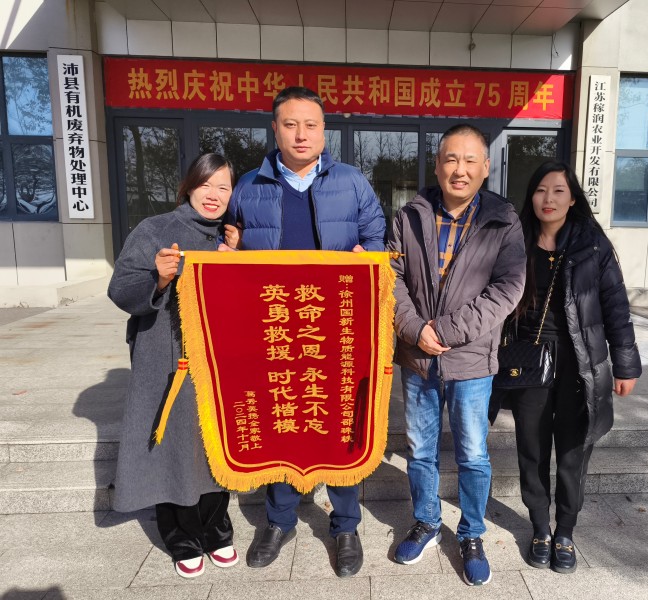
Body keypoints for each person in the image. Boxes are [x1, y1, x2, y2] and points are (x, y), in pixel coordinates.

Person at [223, 86, 385, 578]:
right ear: (275, 129)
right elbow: (227, 246)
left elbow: (377, 237)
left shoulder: (352, 182)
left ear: (323, 131)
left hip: (335, 331)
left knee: (340, 424)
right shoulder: (248, 186)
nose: (301, 134)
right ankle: (279, 521)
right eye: (290, 124)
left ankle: (346, 524)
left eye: (310, 125)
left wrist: (369, 256)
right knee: (282, 421)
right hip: (274, 330)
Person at [387, 123, 526, 586]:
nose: (459, 170)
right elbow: (391, 278)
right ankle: (427, 522)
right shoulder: (410, 216)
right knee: (420, 450)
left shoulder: (503, 220)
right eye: (451, 159)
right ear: (437, 165)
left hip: (471, 361)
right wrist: (414, 329)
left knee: (473, 454)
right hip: (417, 359)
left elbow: (507, 289)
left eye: (470, 160)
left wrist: (442, 331)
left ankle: (471, 533)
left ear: (485, 168)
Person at [502, 160, 641, 574]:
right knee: (531, 449)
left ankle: (565, 531)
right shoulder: (515, 241)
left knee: (573, 452)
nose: (548, 199)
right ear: (531, 197)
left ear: (573, 199)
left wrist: (626, 365)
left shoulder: (593, 246)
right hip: (531, 362)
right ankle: (539, 528)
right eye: (540, 190)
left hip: (581, 364)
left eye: (558, 191)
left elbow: (616, 307)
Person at [108, 153, 239, 579]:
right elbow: (120, 289)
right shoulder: (155, 229)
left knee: (214, 443)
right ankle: (182, 537)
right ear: (189, 187)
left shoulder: (231, 237)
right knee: (174, 447)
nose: (214, 195)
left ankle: (217, 528)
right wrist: (159, 278)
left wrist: (236, 260)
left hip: (217, 361)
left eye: (224, 187)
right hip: (165, 358)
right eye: (206, 185)